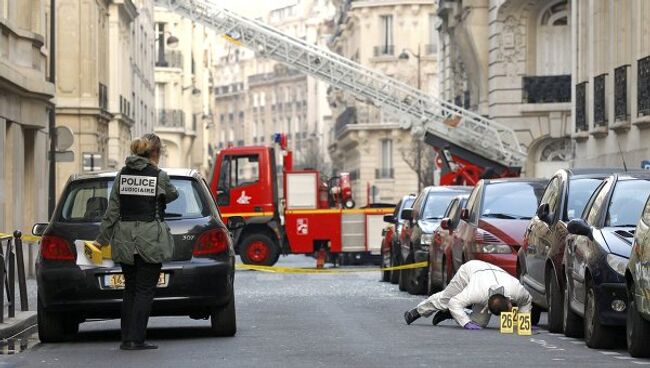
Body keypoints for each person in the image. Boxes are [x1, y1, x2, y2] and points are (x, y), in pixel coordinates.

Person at [94, 133, 178, 350]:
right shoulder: (158, 175)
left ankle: (126, 339)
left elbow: (112, 211)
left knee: (130, 288)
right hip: (150, 239)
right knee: (144, 290)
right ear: (155, 153)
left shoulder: (122, 176)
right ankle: (137, 339)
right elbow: (173, 195)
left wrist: (100, 241)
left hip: (123, 239)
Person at [403, 260, 532, 330]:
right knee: (445, 300)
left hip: (493, 272)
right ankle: (417, 311)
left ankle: (451, 313)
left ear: (509, 300)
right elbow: (454, 302)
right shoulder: (476, 293)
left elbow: (527, 301)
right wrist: (465, 322)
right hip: (470, 270)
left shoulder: (516, 290)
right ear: (486, 306)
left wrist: (523, 322)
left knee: (479, 323)